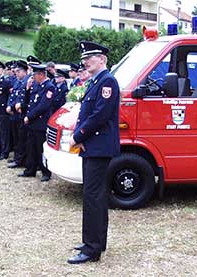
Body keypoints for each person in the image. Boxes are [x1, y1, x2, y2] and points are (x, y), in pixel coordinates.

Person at [68, 41, 120, 264]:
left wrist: (78, 136)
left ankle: (92, 249)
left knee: (93, 197)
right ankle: (94, 240)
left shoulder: (107, 81)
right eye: (84, 58)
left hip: (98, 147)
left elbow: (100, 115)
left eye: (90, 57)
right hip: (93, 147)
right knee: (93, 196)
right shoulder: (96, 81)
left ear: (103, 59)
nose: (85, 61)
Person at [18, 64, 55, 182]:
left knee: (41, 148)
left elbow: (43, 105)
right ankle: (30, 169)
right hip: (32, 122)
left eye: (35, 75)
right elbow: (29, 101)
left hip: (40, 122)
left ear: (42, 75)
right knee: (30, 147)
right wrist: (28, 89)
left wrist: (29, 116)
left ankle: (45, 172)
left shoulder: (49, 87)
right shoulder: (36, 85)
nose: (33, 77)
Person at [7, 60, 29, 168]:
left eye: (18, 71)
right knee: (16, 137)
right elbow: (13, 96)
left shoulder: (27, 82)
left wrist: (20, 105)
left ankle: (21, 160)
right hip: (14, 113)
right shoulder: (17, 81)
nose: (16, 73)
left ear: (25, 71)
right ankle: (17, 157)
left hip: (22, 113)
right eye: (16, 71)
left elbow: (26, 98)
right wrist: (9, 106)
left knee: (21, 138)